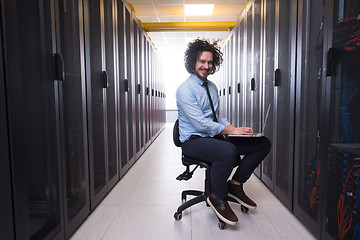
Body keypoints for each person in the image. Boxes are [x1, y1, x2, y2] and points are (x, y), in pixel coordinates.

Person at [176, 38, 271, 226]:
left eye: (210, 62)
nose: (206, 66)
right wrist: (230, 130)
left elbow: (216, 117)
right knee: (228, 151)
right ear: (193, 63)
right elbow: (202, 124)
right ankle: (217, 196)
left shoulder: (211, 87)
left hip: (213, 137)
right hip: (193, 141)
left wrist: (235, 130)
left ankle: (234, 185)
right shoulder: (185, 90)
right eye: (202, 61)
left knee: (262, 144)